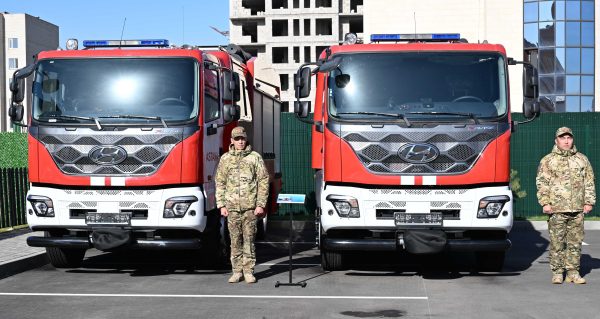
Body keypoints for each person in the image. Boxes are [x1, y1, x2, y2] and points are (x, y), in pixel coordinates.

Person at [536, 127, 595, 284]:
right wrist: (545, 202)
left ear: (572, 140)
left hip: (577, 208)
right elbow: (542, 183)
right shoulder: (548, 160)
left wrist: (589, 202)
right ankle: (557, 272)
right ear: (556, 140)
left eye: (569, 137)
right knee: (557, 242)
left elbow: (589, 181)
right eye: (563, 138)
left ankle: (573, 272)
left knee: (575, 242)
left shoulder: (582, 159)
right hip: (556, 209)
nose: (566, 141)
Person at [215, 126, 269, 284]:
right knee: (234, 240)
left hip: (250, 208)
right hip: (231, 208)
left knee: (249, 239)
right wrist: (221, 205)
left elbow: (263, 181)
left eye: (242, 138)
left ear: (246, 139)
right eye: (237, 139)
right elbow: (220, 182)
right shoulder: (225, 159)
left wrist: (260, 204)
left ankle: (248, 271)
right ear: (231, 140)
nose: (240, 141)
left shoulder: (254, 158)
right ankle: (237, 271)